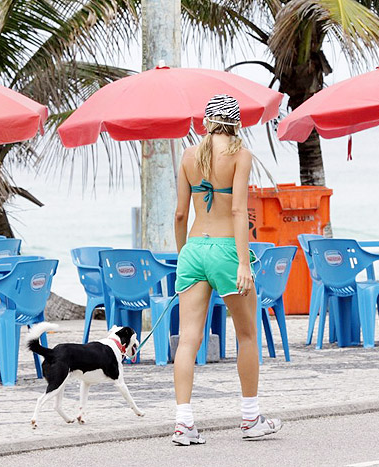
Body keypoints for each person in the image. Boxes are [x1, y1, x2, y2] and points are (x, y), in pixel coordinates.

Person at [170, 94, 282, 446]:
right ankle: (251, 419)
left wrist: (184, 253)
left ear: (207, 121)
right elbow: (237, 212)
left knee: (188, 339)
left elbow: (179, 214)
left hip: (193, 249)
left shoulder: (189, 155)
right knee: (247, 335)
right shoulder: (240, 154)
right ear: (236, 121)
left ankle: (183, 424)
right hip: (226, 251)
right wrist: (244, 263)